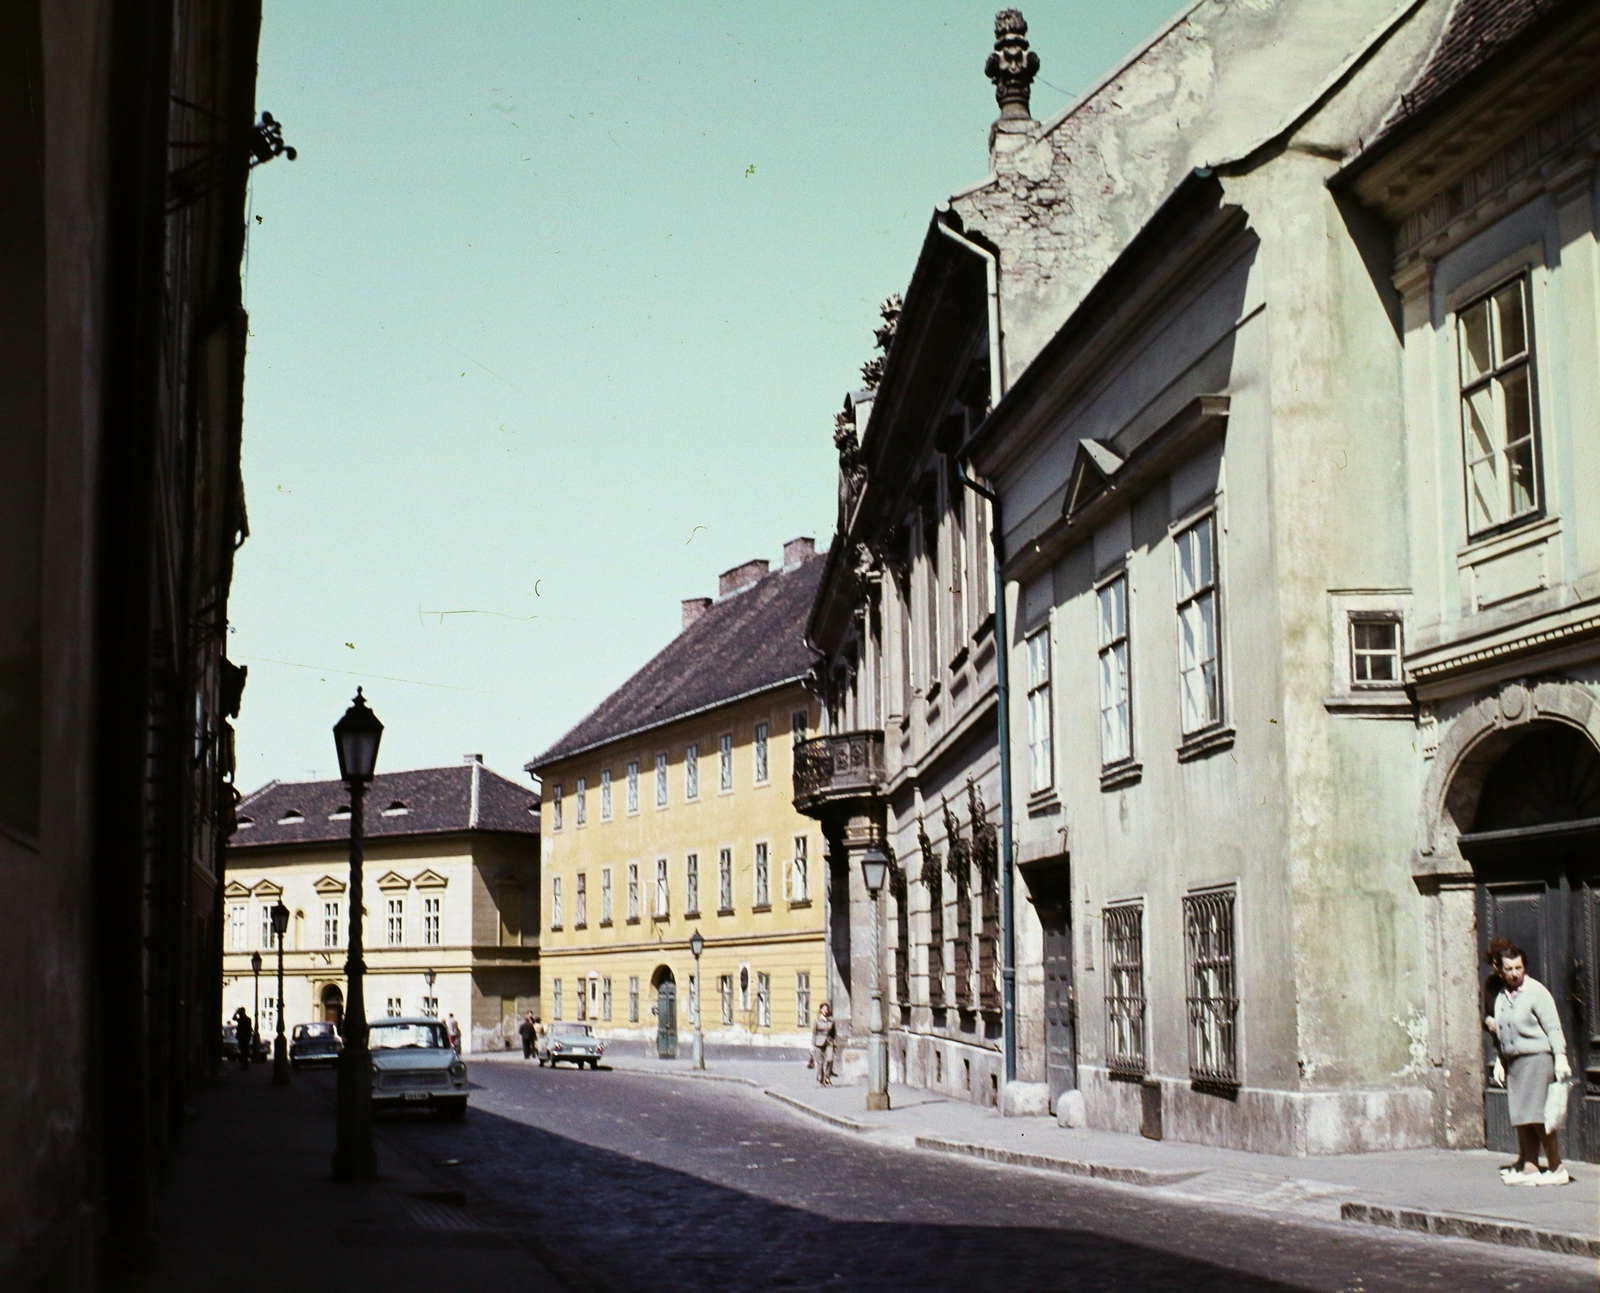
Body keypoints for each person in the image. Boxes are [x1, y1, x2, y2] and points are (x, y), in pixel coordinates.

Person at [1484, 938, 1571, 1186]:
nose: (1514, 973)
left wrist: (1561, 1057)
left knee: (1538, 1117)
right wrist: (1500, 1060)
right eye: (1509, 969)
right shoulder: (1502, 997)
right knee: (1523, 1118)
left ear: (1525, 967)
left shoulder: (1536, 991)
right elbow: (1502, 1031)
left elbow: (1553, 1027)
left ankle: (1556, 1168)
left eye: (1518, 968)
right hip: (1516, 1063)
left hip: (1537, 1059)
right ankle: (1530, 1167)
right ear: (1501, 971)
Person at [810, 1001, 837, 1087]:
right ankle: (821, 1079)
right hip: (819, 1042)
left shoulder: (831, 1020)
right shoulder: (817, 1019)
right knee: (820, 1063)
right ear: (821, 1009)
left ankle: (827, 1077)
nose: (825, 1010)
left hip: (829, 1042)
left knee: (830, 1060)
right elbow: (814, 1033)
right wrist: (812, 1045)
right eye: (824, 1009)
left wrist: (835, 1044)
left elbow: (834, 1033)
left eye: (827, 1009)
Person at [232, 1006, 254, 1071]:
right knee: (245, 1051)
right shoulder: (248, 1019)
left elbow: (233, 1018)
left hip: (242, 1036)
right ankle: (245, 1064)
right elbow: (250, 1028)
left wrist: (236, 1012)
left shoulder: (241, 1019)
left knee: (243, 1051)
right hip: (246, 1037)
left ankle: (244, 1064)